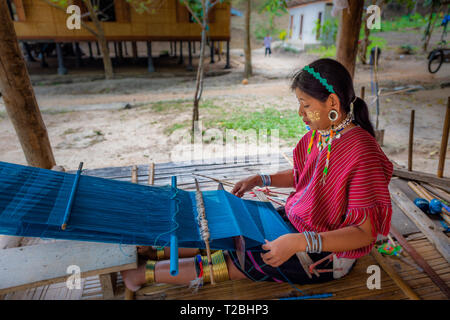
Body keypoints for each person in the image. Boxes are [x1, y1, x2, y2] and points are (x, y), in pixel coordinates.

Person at [121, 58, 393, 291]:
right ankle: (154, 250)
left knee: (240, 258)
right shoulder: (321, 136)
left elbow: (364, 234)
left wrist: (299, 241)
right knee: (232, 230)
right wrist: (261, 179)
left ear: (331, 101)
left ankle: (141, 275)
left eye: (305, 104)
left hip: (326, 255)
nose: (300, 112)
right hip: (296, 225)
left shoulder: (361, 152)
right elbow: (304, 176)